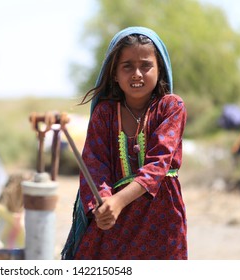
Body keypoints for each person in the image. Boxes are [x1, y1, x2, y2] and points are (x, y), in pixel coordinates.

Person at [61, 26, 187, 260]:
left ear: (160, 70)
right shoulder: (105, 113)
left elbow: (157, 165)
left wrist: (118, 200)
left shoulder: (171, 107)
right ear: (115, 74)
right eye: (127, 66)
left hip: (161, 217)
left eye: (146, 65)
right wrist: (103, 206)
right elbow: (94, 165)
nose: (137, 73)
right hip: (114, 219)